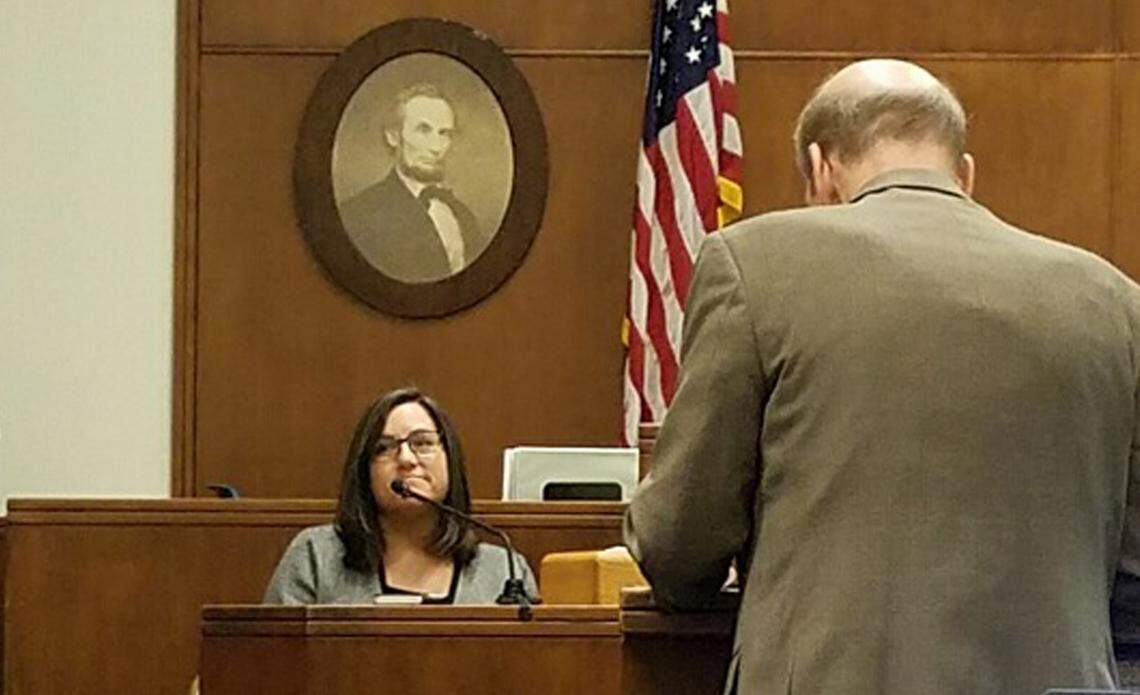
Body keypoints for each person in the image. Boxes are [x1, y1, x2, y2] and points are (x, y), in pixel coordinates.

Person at [623, 58, 1140, 695]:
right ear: (964, 174)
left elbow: (681, 542)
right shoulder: (1111, 299)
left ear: (821, 169)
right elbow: (1133, 571)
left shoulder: (754, 263)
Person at [264, 387, 537, 604]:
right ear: (364, 470)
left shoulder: (504, 569)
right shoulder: (316, 556)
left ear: (449, 458)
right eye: (384, 448)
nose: (406, 459)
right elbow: (276, 653)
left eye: (423, 443)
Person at [338, 83, 484, 284]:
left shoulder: (463, 215)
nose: (436, 147)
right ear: (393, 136)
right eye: (423, 130)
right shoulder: (357, 214)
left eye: (444, 134)